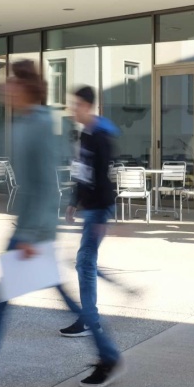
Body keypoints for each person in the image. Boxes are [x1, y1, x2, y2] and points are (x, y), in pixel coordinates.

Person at [0, 62, 124, 387]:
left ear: (27, 88)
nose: (5, 88)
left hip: (33, 232)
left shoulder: (42, 124)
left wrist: (33, 235)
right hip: (28, 229)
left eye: (12, 82)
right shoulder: (22, 122)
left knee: (4, 300)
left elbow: (46, 184)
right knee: (39, 293)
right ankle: (106, 353)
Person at [60, 87, 123, 366]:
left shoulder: (100, 136)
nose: (73, 109)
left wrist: (99, 216)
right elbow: (81, 172)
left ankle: (90, 320)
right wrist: (74, 202)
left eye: (76, 105)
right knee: (85, 262)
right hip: (91, 208)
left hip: (99, 208)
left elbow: (102, 177)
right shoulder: (84, 134)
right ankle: (89, 317)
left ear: (87, 106)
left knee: (85, 262)